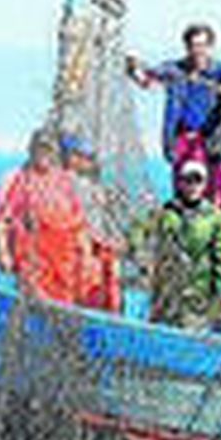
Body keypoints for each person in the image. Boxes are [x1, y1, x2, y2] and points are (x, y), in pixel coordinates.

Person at [127, 23, 221, 209]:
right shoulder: (175, 70)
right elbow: (146, 80)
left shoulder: (219, 71)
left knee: (216, 192)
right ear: (186, 47)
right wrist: (132, 68)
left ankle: (217, 233)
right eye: (193, 46)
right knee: (185, 189)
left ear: (210, 47)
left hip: (211, 141)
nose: (197, 51)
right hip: (182, 139)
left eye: (202, 45)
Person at [128, 161, 221, 334]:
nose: (192, 186)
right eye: (187, 180)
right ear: (179, 183)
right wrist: (141, 257)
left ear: (205, 185)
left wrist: (219, 300)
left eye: (197, 180)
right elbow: (138, 230)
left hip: (196, 299)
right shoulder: (166, 213)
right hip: (165, 296)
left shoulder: (216, 219)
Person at [0, 128, 96, 306]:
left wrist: (87, 255)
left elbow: (79, 223)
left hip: (64, 260)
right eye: (40, 149)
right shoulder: (19, 180)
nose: (44, 155)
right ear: (31, 150)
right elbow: (3, 220)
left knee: (66, 302)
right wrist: (4, 252)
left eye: (48, 150)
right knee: (39, 302)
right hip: (34, 259)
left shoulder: (64, 181)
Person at [62, 133, 124, 312]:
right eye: (86, 157)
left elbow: (103, 218)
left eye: (90, 157)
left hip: (95, 250)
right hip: (80, 251)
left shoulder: (90, 186)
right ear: (72, 157)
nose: (90, 162)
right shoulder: (65, 183)